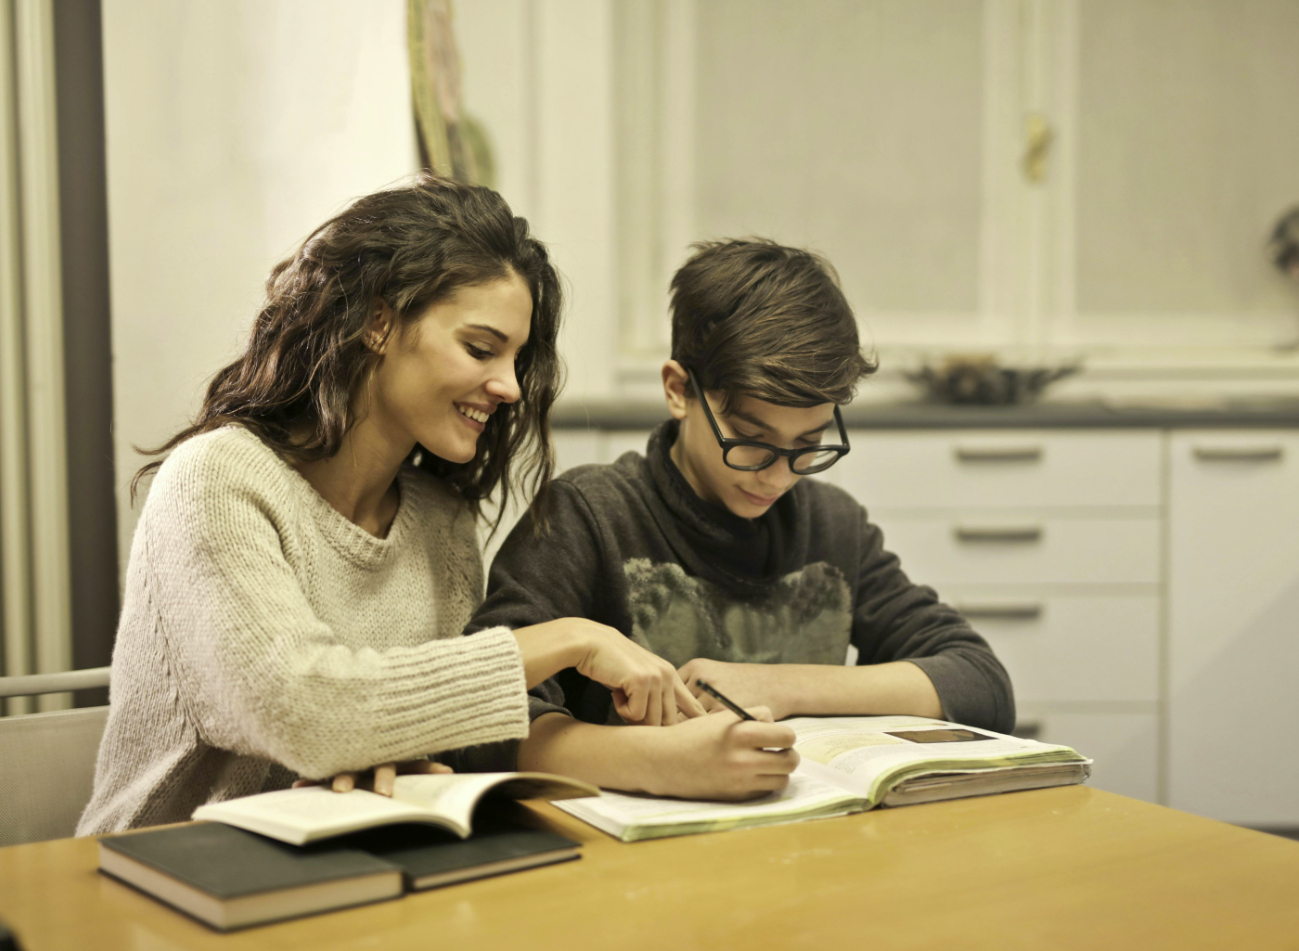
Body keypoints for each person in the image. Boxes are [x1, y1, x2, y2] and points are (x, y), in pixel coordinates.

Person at [79, 176, 702, 835]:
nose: (509, 386)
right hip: (154, 882)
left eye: (518, 359)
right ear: (379, 320)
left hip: (345, 876)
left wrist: (397, 760)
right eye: (482, 348)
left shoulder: (441, 523)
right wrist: (570, 637)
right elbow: (308, 711)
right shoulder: (216, 480)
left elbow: (408, 736)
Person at [470, 238, 1015, 800]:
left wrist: (779, 686)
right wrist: (657, 761)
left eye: (808, 444)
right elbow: (475, 718)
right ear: (679, 390)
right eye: (752, 443)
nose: (778, 477)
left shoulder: (833, 525)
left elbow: (979, 682)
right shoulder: (587, 517)